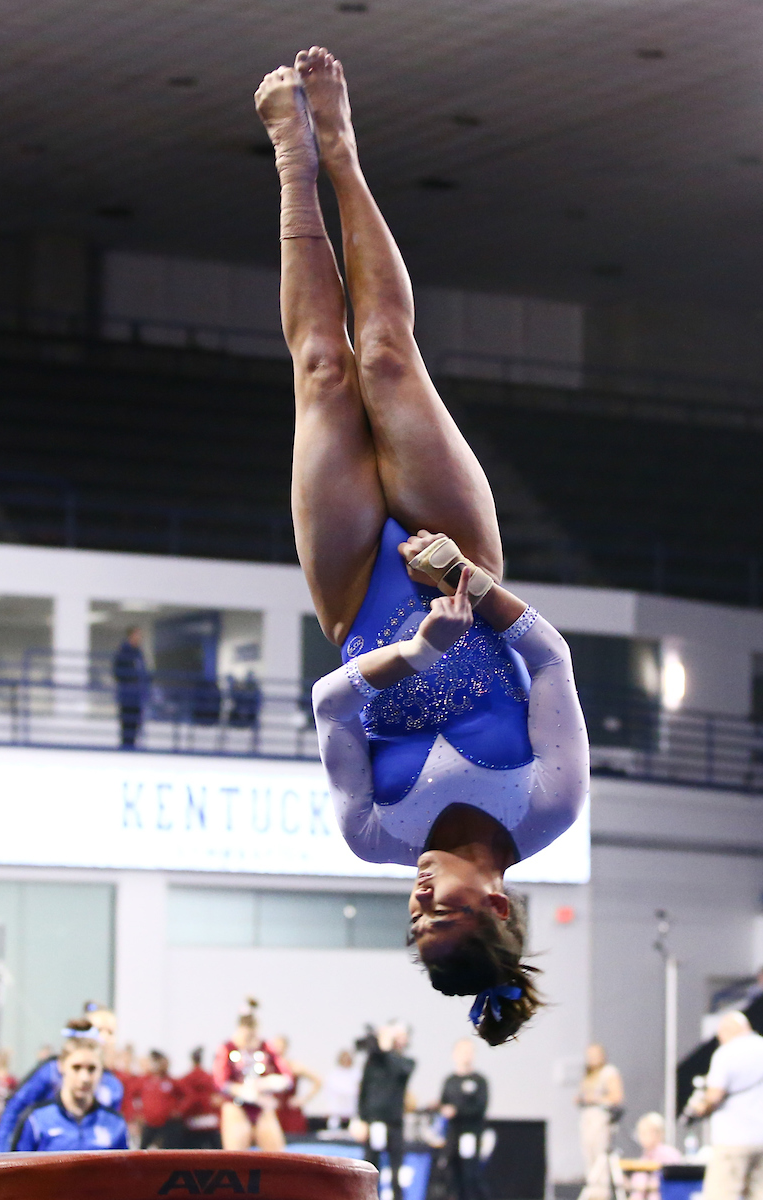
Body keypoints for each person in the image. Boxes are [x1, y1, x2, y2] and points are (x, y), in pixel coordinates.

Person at [254, 49, 589, 1045]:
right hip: (463, 563)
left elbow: (328, 703)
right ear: (494, 905)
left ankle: (291, 162)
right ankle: (343, 149)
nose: (417, 895)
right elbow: (551, 659)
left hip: (358, 599)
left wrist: (407, 655)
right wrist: (469, 584)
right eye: (438, 907)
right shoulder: (548, 805)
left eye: (412, 918)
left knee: (321, 370)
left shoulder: (373, 834)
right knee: (386, 353)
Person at [0, 1018, 124, 1152]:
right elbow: (15, 1107)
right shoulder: (46, 1074)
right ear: (62, 1066)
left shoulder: (113, 1091)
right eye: (76, 1068)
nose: (84, 1078)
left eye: (91, 1069)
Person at [685, 1011, 763, 1200]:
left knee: (722, 1194)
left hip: (733, 1139)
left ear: (727, 1030)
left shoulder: (726, 1053)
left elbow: (714, 1096)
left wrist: (699, 1108)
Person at [213, 999, 292, 1152]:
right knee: (236, 1158)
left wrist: (268, 1083)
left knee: (277, 1157)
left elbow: (286, 1077)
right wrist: (245, 1092)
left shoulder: (266, 1047)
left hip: (262, 1106)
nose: (250, 1041)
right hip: (237, 1105)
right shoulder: (227, 1048)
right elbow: (220, 1082)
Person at [356, 1022, 416, 1200]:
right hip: (374, 1121)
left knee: (396, 1170)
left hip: (394, 1123)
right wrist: (361, 1118)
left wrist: (388, 1048)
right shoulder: (374, 1060)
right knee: (371, 1168)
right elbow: (364, 1089)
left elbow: (400, 1070)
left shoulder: (406, 1062)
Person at [440, 1039, 490, 1200]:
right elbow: (443, 1102)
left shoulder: (479, 1081)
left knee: (470, 1175)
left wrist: (457, 1111)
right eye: (462, 1052)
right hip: (453, 1134)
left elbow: (480, 1107)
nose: (466, 1056)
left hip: (470, 1133)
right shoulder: (450, 1081)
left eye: (469, 1052)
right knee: (452, 1173)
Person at [576, 1044, 624, 1188]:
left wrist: (594, 1098)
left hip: (600, 1118)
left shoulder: (609, 1072)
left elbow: (617, 1097)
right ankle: (592, 1191)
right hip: (587, 1118)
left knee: (600, 1158)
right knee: (588, 1156)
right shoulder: (588, 1075)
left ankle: (601, 1194)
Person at [127, 1051, 184, 1149]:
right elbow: (130, 1095)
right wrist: (136, 1113)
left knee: (168, 1150)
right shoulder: (144, 1080)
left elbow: (185, 1096)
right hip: (149, 1123)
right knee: (142, 1150)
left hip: (167, 1123)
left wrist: (179, 1110)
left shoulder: (171, 1081)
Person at [271, 1035, 322, 1136]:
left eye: (279, 1046)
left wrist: (303, 1099)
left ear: (285, 1047)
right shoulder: (268, 1066)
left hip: (290, 1113)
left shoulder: (293, 1066)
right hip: (274, 1112)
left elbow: (318, 1081)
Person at [625, 1112, 682, 1200]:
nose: (640, 1138)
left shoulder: (669, 1155)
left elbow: (673, 1183)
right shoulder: (644, 1157)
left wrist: (644, 1186)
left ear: (657, 1133)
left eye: (644, 1133)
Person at [177, 1048, 222, 1149]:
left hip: (193, 1121)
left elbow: (188, 1099)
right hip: (209, 1121)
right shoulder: (209, 1078)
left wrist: (181, 1111)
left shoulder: (186, 1078)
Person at [113, 627, 149, 749]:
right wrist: (131, 681)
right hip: (127, 695)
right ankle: (126, 748)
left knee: (135, 724)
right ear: (130, 636)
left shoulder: (139, 653)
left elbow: (143, 672)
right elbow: (118, 673)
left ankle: (132, 747)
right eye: (137, 635)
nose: (139, 638)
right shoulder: (123, 652)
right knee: (127, 724)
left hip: (138, 696)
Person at [322, 1049, 362, 1130]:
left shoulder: (358, 1074)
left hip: (353, 1114)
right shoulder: (333, 1075)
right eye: (344, 1058)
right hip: (336, 1114)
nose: (346, 1060)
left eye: (348, 1058)